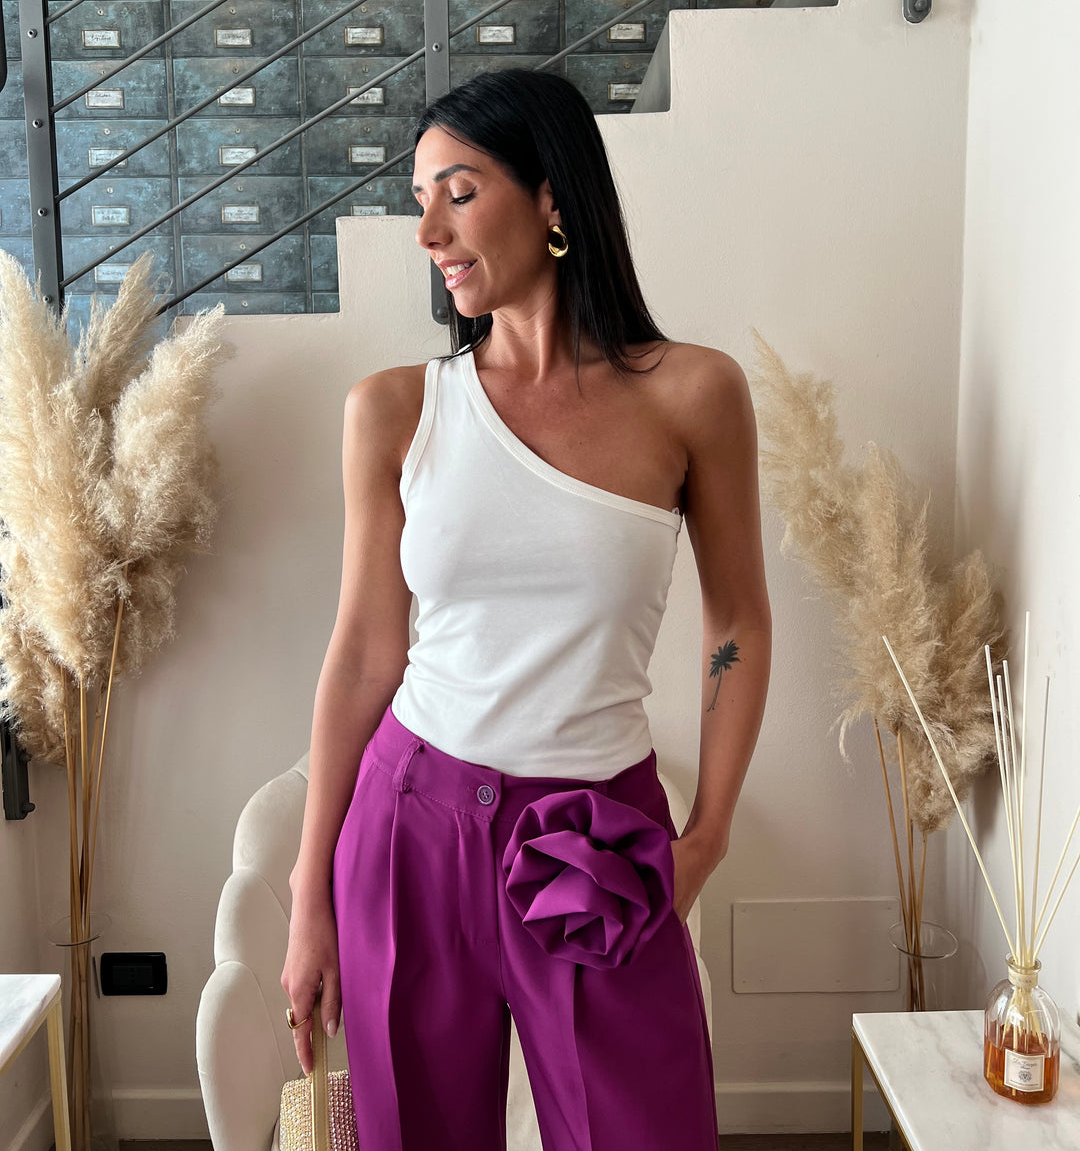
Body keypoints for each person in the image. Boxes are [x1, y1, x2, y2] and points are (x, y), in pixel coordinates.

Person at [281, 68, 772, 1151]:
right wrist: (310, 896)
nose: (429, 233)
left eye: (458, 193)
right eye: (420, 201)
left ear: (551, 195)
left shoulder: (693, 395)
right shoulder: (395, 410)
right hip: (410, 830)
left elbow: (737, 621)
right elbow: (363, 657)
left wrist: (707, 836)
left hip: (598, 841)